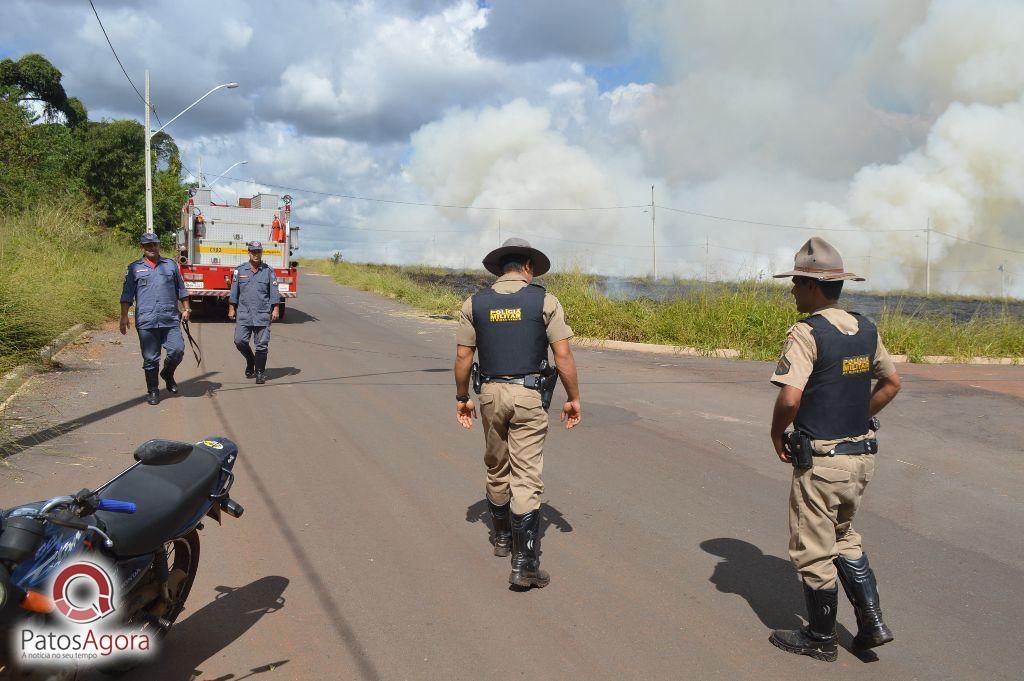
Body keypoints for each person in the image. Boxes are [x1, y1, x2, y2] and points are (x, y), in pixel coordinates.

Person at [767, 237, 902, 662]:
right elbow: (892, 382)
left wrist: (776, 434)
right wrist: (858, 416)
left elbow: (790, 398)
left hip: (823, 461)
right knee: (844, 536)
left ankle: (821, 637)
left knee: (813, 546)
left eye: (795, 283)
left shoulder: (807, 332)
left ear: (811, 286)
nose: (791, 291)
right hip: (861, 457)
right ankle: (872, 623)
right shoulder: (866, 328)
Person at [453, 237, 582, 589]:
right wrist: (573, 397)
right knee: (525, 475)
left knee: (497, 466)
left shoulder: (475, 303)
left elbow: (465, 357)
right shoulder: (545, 300)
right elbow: (564, 356)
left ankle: (501, 539)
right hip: (529, 395)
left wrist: (462, 397)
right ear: (527, 266)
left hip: (490, 394)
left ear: (499, 269)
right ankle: (524, 563)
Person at [120, 232, 190, 405]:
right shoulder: (134, 268)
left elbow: (181, 289)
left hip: (170, 318)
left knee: (177, 350)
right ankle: (152, 390)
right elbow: (127, 294)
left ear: (158, 245)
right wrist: (123, 316)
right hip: (146, 319)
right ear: (142, 247)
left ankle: (167, 373)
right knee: (150, 358)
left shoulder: (171, 266)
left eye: (154, 244)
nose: (152, 248)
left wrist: (186, 308)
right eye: (148, 245)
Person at [229, 241, 280, 384]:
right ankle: (250, 360)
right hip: (244, 313)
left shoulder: (268, 271)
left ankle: (260, 372)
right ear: (249, 253)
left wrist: (275, 308)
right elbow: (234, 292)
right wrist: (232, 308)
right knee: (239, 341)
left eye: (258, 251)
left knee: (262, 344)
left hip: (262, 313)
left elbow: (274, 292)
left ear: (262, 253)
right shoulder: (240, 270)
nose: (256, 254)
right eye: (253, 251)